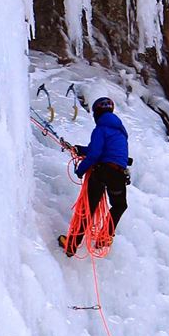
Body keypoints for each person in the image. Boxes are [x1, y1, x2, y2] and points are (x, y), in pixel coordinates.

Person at [59, 97, 130, 256]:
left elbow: (95, 154)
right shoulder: (120, 132)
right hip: (118, 174)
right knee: (120, 205)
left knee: (87, 209)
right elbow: (99, 150)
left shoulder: (100, 129)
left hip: (101, 172)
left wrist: (81, 170)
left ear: (97, 113)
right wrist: (78, 149)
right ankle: (104, 238)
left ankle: (71, 245)